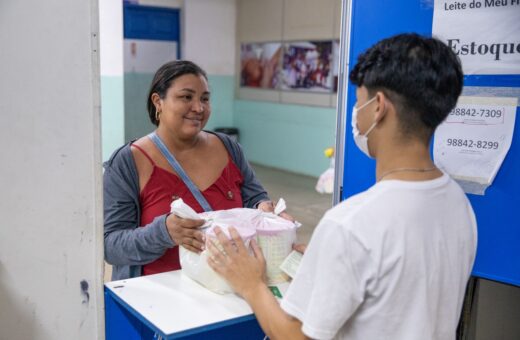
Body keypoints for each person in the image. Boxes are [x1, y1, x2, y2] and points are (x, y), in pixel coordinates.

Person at [207, 33, 478, 340]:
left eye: (358, 102)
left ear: (378, 107)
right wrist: (329, 260)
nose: (356, 114)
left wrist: (250, 285)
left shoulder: (350, 224)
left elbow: (296, 336)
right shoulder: (457, 202)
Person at [104, 60, 284, 281]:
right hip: (156, 301)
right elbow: (111, 245)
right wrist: (163, 233)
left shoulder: (228, 148)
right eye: (186, 97)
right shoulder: (128, 162)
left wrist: (262, 208)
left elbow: (254, 197)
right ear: (158, 101)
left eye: (205, 99)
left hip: (227, 291)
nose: (199, 108)